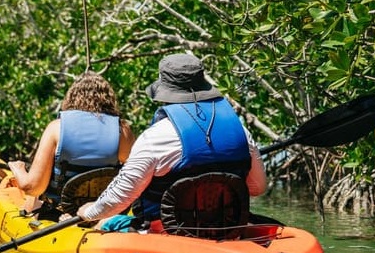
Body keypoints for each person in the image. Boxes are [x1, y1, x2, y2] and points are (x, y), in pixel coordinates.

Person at [75, 53, 267, 229]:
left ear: (165, 92)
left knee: (106, 221)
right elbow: (257, 188)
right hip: (226, 227)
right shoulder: (241, 132)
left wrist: (89, 212)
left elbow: (120, 198)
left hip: (167, 234)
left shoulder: (155, 138)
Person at [8, 71, 135, 205]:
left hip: (60, 210)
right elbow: (135, 177)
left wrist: (18, 168)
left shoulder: (56, 128)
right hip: (103, 210)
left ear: (71, 97)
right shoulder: (122, 131)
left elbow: (32, 187)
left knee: (31, 199)